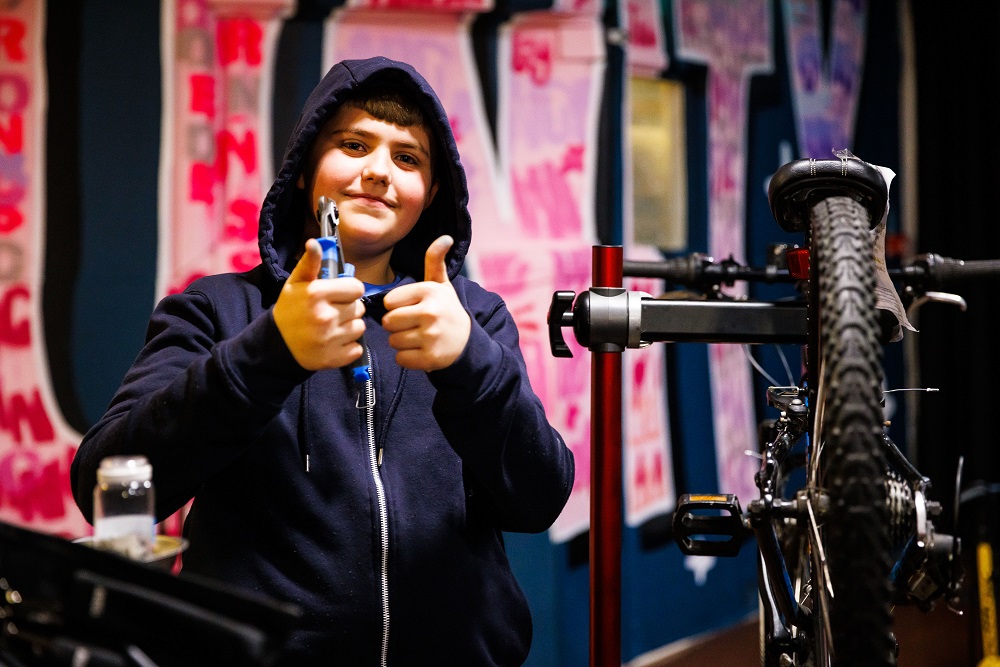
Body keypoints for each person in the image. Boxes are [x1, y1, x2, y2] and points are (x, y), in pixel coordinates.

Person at [70, 56, 575, 666]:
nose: (379, 172)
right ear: (307, 165)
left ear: (432, 193)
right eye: (354, 145)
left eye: (407, 158)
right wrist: (270, 354)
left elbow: (539, 498)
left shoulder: (472, 316)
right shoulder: (217, 311)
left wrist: (471, 364)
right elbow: (108, 485)